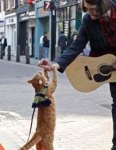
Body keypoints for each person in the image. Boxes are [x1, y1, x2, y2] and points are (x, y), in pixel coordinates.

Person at [38, 0, 116, 149]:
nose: (89, 13)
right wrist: (55, 66)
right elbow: (76, 46)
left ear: (103, 5)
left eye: (92, 10)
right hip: (111, 70)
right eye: (86, 9)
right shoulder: (88, 20)